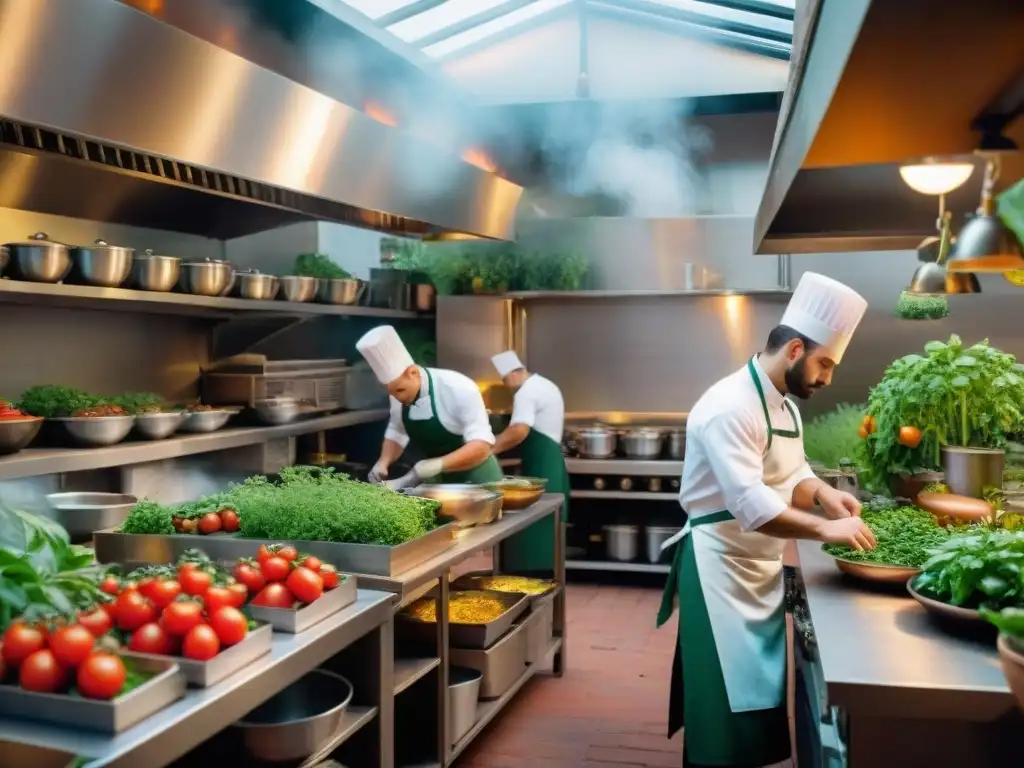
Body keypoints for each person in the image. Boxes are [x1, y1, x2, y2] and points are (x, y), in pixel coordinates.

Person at [656, 272, 877, 768]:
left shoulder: (785, 405)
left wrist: (821, 493)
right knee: (720, 711)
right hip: (718, 569)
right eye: (825, 364)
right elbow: (752, 504)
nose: (827, 378)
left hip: (757, 566)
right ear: (795, 350)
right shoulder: (728, 406)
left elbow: (791, 470)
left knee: (753, 703)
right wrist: (824, 529)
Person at [357, 325, 502, 489]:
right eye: (391, 392)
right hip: (438, 483)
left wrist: (435, 465)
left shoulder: (459, 387)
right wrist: (383, 462)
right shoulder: (397, 393)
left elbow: (482, 446)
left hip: (478, 480)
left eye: (400, 390)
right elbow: (398, 430)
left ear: (413, 373)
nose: (397, 397)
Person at [490, 351, 569, 574]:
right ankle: (547, 569)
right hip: (552, 461)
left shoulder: (526, 392)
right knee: (549, 517)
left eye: (505, 381)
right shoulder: (546, 384)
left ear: (512, 375)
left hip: (542, 463)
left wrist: (490, 448)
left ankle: (530, 572)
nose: (508, 387)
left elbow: (518, 430)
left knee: (537, 516)